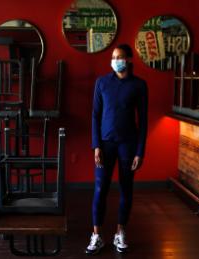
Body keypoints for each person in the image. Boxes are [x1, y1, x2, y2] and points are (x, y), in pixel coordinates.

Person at [86, 44, 148, 254]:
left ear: (129, 59)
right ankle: (96, 235)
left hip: (128, 145)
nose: (116, 60)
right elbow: (95, 115)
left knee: (126, 189)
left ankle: (120, 232)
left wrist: (140, 151)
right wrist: (96, 146)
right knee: (100, 188)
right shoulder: (102, 82)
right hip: (105, 144)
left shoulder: (139, 85)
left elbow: (144, 121)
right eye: (113, 57)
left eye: (120, 57)